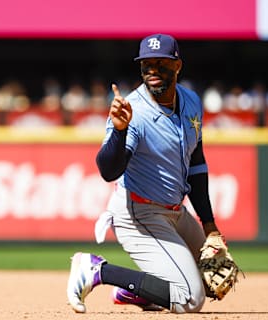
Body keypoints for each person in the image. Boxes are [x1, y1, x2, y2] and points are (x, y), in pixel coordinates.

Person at [66, 34, 227, 314]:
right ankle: (97, 270)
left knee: (214, 274)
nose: (152, 69)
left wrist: (209, 224)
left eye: (161, 62)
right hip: (139, 215)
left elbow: (197, 164)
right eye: (146, 64)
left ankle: (138, 291)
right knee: (190, 298)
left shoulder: (190, 101)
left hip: (177, 212)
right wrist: (119, 131)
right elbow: (108, 170)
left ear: (178, 65)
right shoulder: (133, 111)